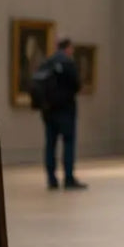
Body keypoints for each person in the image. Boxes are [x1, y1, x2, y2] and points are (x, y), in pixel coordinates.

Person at [40, 38, 86, 190]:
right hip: (66, 110)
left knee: (50, 145)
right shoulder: (68, 63)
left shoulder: (47, 63)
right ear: (68, 48)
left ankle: (51, 179)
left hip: (49, 111)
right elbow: (77, 85)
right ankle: (68, 178)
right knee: (68, 143)